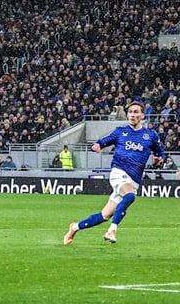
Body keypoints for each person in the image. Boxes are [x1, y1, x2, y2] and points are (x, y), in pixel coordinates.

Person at [64, 101, 165, 245]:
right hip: (119, 172)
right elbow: (102, 141)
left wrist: (160, 160)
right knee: (130, 196)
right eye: (130, 112)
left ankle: (74, 227)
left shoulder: (150, 135)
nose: (132, 114)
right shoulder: (120, 131)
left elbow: (160, 153)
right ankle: (112, 230)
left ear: (142, 115)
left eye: (136, 112)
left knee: (104, 215)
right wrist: (97, 146)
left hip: (134, 179)